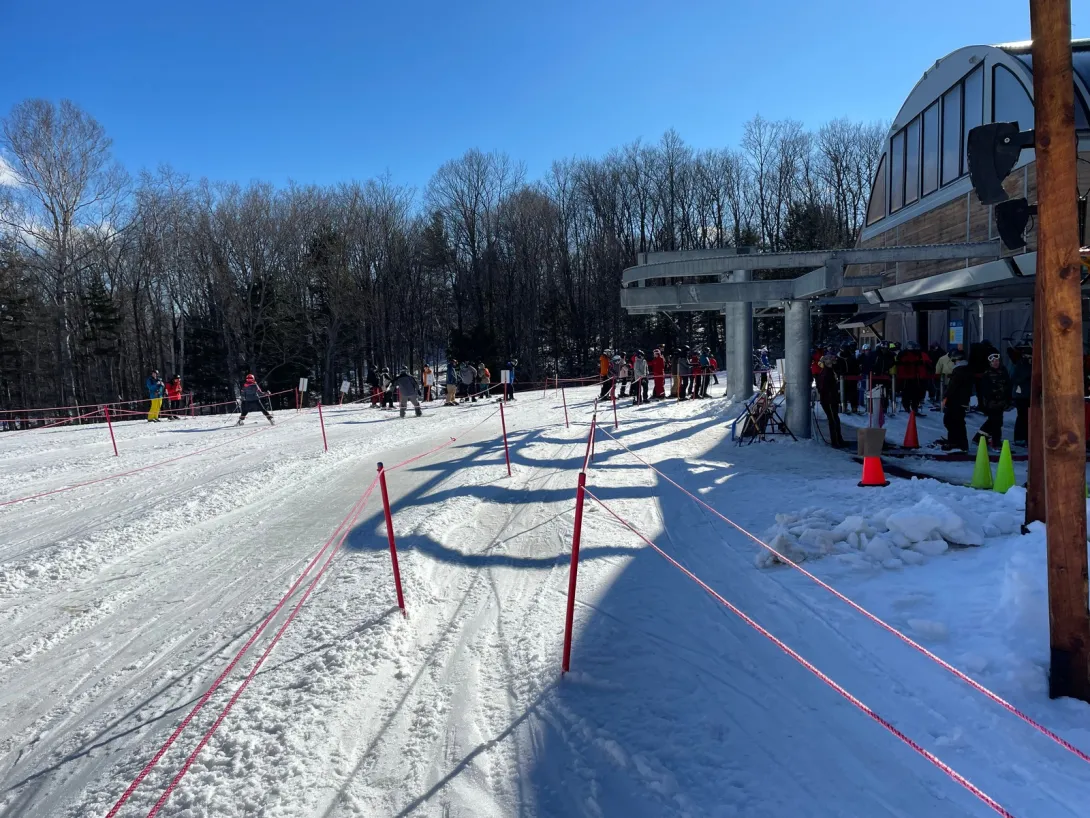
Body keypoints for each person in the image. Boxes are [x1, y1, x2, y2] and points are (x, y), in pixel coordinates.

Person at [975, 352, 1012, 449]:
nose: (996, 363)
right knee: (996, 423)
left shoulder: (1003, 371)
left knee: (994, 421)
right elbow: (985, 390)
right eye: (994, 361)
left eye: (997, 361)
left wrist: (1008, 399)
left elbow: (1008, 385)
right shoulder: (987, 374)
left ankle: (979, 437)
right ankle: (996, 442)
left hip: (1002, 402)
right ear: (990, 363)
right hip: (992, 403)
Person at [942, 350, 973, 452]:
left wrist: (945, 396)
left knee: (951, 421)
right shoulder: (966, 370)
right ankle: (959, 442)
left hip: (956, 401)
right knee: (958, 421)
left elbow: (952, 387)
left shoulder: (959, 371)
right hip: (962, 400)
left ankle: (956, 442)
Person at [815, 353, 845, 447]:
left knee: (835, 419)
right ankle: (835, 441)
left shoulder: (829, 371)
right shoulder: (826, 373)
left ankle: (838, 439)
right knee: (833, 419)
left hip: (830, 398)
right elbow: (823, 387)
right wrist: (830, 396)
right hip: (829, 400)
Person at [1010, 346, 1031, 445]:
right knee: (1022, 416)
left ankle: (1025, 437)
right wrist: (1025, 377)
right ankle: (1019, 437)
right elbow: (1014, 378)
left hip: (1027, 394)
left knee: (1026, 417)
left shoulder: (1028, 365)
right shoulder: (1020, 365)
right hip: (1021, 395)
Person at [838, 343, 860, 414]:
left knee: (852, 393)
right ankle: (843, 406)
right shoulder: (838, 358)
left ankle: (854, 407)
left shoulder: (852, 358)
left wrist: (856, 374)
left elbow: (856, 367)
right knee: (842, 392)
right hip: (842, 378)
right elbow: (836, 368)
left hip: (851, 378)